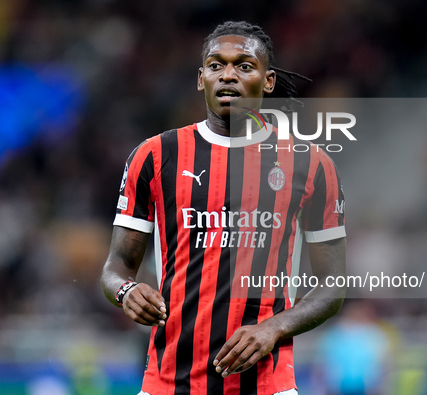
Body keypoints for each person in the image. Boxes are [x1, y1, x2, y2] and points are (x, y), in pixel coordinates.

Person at [100, 21, 346, 395]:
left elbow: (333, 285)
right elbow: (116, 267)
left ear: (268, 81)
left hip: (268, 385)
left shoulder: (310, 164)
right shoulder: (154, 156)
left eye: (244, 65)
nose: (227, 75)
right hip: (169, 383)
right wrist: (126, 291)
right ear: (201, 79)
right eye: (216, 65)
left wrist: (273, 328)